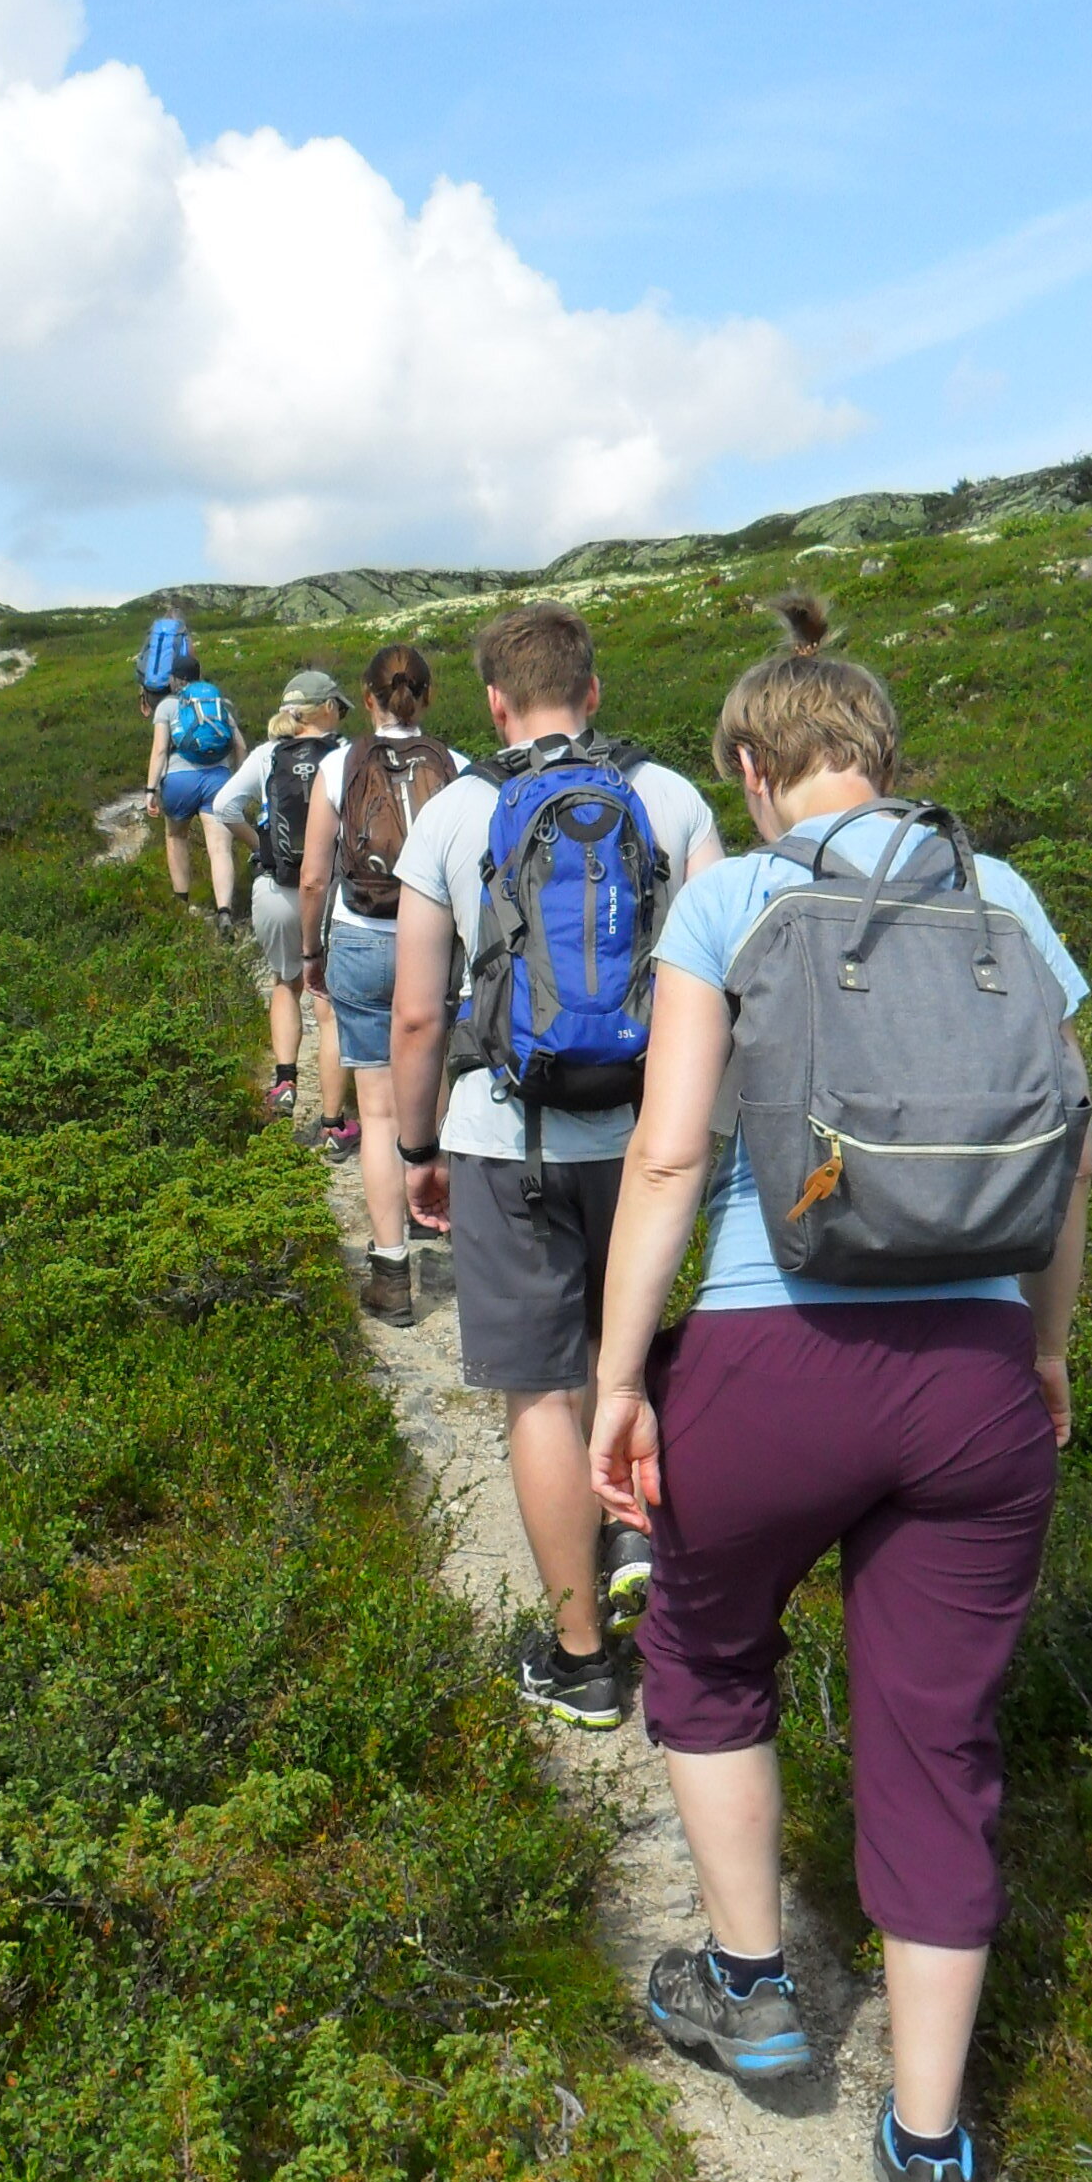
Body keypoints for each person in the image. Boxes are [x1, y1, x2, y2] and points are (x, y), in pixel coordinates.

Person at [586, 597, 1092, 2182]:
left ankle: (748, 1989)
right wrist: (1040, 1348)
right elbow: (1067, 1152)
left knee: (705, 1640)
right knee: (934, 1739)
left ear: (749, 770)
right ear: (881, 756)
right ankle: (934, 2156)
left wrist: (611, 1379)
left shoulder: (728, 896)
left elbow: (666, 1161)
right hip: (969, 1377)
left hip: (764, 1352)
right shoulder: (997, 892)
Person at [389, 604, 722, 1731]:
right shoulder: (671, 800)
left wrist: (417, 1147)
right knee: (630, 1358)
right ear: (595, 689)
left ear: (490, 701)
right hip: (649, 1142)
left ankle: (581, 1659)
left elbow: (420, 1015)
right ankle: (641, 1539)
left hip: (503, 1138)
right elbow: (723, 989)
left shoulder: (451, 810)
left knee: (542, 1386)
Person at [301, 645, 467, 1323]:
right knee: (442, 1095)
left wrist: (312, 951)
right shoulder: (456, 767)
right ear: (426, 697)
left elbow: (314, 876)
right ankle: (454, 1230)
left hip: (361, 939)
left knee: (378, 1113)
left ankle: (392, 1272)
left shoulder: (340, 765)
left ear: (367, 699)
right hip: (436, 942)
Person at [211, 671, 354, 1126]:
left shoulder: (267, 755)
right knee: (327, 1007)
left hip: (275, 888)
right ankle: (335, 1123)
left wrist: (261, 847)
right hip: (331, 892)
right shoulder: (347, 754)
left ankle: (285, 1079)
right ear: (327, 709)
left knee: (284, 981)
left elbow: (223, 807)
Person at [143, 635, 248, 926]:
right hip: (218, 781)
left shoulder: (167, 706)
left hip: (178, 782)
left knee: (176, 836)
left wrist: (150, 789)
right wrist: (237, 780)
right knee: (219, 848)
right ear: (199, 677)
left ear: (175, 680)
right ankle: (224, 912)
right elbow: (239, 746)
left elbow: (161, 750)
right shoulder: (220, 702)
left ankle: (182, 903)